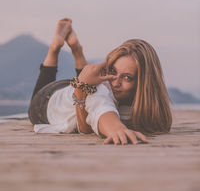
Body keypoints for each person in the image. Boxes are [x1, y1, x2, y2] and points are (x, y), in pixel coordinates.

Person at [28, 18, 172, 145]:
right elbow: (101, 108)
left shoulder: (141, 99)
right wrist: (117, 129)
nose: (115, 82)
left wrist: (81, 86)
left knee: (87, 83)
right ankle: (55, 48)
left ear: (144, 83)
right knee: (93, 88)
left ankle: (77, 50)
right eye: (113, 71)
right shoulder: (102, 89)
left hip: (75, 87)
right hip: (46, 100)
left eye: (127, 77)